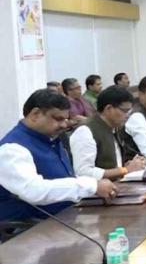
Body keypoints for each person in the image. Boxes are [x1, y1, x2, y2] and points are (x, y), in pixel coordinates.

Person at [0, 90, 116, 223]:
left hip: (65, 217)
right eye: (58, 119)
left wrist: (94, 187)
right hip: (31, 227)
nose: (64, 124)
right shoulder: (11, 149)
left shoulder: (50, 139)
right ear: (35, 114)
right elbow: (33, 191)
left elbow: (62, 179)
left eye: (66, 119)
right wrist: (90, 186)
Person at [70, 86, 146, 180]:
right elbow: (83, 172)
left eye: (129, 111)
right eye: (125, 111)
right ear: (108, 108)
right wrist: (125, 170)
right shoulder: (85, 131)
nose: (128, 115)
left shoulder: (114, 127)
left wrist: (129, 165)